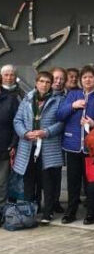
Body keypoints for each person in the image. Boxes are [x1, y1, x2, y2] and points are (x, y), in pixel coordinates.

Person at [57, 65, 94, 224]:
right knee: (73, 182)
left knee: (91, 183)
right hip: (72, 144)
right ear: (81, 80)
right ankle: (71, 212)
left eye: (91, 77)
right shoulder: (73, 94)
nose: (87, 80)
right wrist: (73, 106)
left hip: (92, 147)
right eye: (84, 77)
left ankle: (91, 213)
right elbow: (59, 115)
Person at [12, 71, 64, 224]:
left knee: (47, 181)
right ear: (36, 82)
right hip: (28, 146)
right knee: (29, 180)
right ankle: (29, 211)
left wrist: (46, 132)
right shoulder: (27, 99)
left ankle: (47, 213)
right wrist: (25, 133)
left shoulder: (58, 100)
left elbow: (61, 123)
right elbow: (17, 120)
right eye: (42, 81)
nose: (44, 84)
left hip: (47, 146)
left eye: (48, 82)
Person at [0, 78, 19, 212]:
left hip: (4, 148)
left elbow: (16, 123)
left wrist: (13, 144)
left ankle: (1, 212)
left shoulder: (10, 100)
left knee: (2, 184)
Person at [50, 67, 68, 214]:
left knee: (55, 174)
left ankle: (54, 202)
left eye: (61, 78)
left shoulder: (66, 97)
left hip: (56, 140)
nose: (58, 81)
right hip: (39, 140)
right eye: (56, 78)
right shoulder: (38, 95)